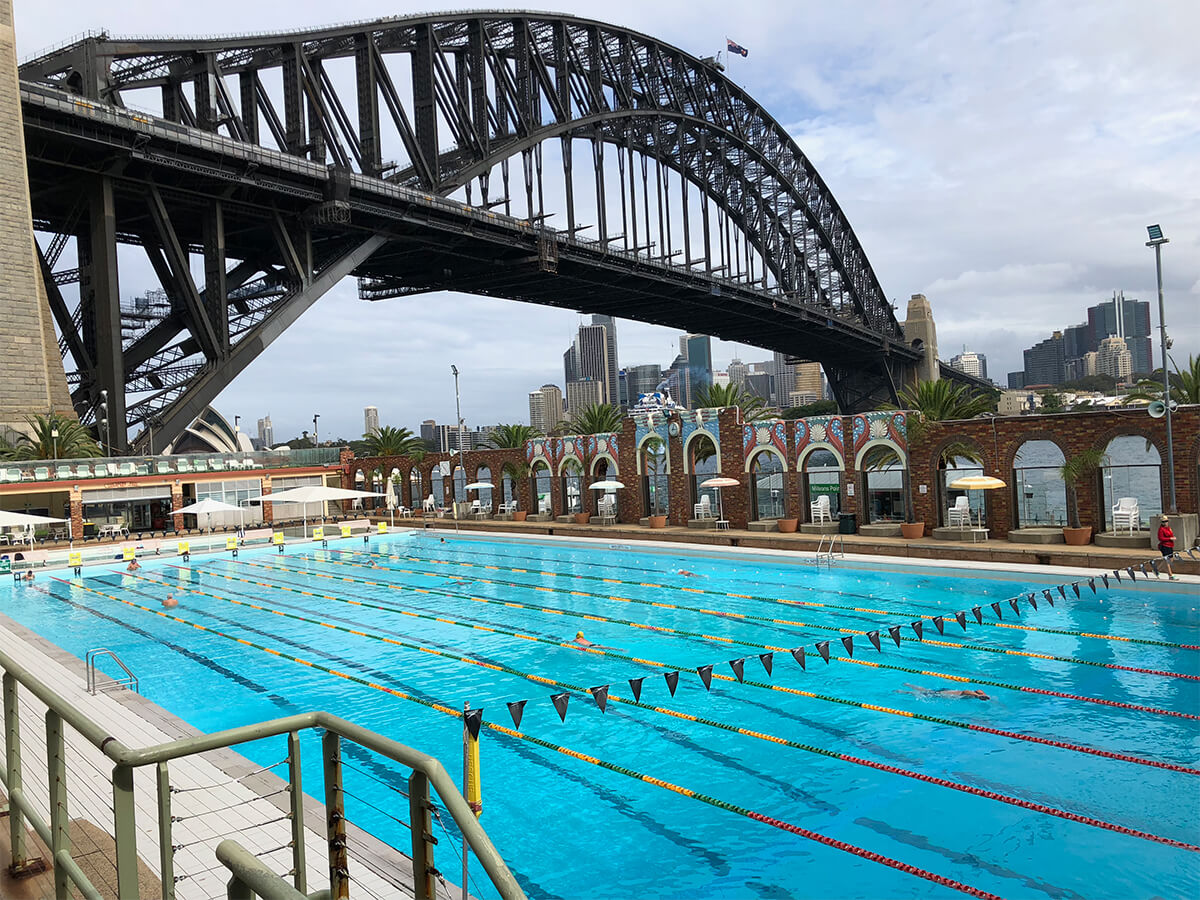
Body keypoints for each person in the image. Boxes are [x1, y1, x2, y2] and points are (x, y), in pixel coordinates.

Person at [904, 683, 989, 701]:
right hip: (943, 694)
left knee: (927, 690)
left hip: (947, 691)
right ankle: (904, 692)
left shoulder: (977, 693)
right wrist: (977, 696)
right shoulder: (972, 694)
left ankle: (909, 685)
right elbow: (965, 692)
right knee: (924, 694)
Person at [1157, 516, 1179, 580]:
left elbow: (1171, 535)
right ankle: (1170, 575)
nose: (1166, 523)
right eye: (1164, 522)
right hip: (1164, 546)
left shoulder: (1169, 528)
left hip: (1170, 545)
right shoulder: (1161, 529)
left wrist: (1172, 538)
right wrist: (1170, 538)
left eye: (1166, 521)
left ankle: (1157, 570)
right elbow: (1160, 538)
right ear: (1162, 522)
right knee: (1167, 561)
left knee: (1170, 560)